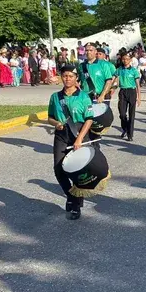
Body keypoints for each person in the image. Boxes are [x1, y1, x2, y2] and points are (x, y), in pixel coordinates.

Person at [47, 65, 99, 220]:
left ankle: (76, 205)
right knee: (59, 169)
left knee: (77, 171)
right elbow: (49, 117)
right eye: (65, 76)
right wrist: (55, 123)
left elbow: (89, 119)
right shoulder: (55, 97)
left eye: (70, 76)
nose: (67, 79)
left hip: (79, 133)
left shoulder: (84, 96)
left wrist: (80, 139)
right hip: (62, 135)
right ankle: (72, 196)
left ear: (76, 78)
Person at [112, 52, 142, 141]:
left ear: (130, 60)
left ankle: (130, 134)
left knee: (131, 114)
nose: (125, 61)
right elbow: (113, 80)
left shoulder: (134, 70)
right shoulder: (119, 70)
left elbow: (137, 84)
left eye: (127, 59)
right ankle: (125, 128)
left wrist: (139, 97)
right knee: (122, 114)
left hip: (132, 91)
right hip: (122, 92)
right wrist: (111, 89)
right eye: (123, 59)